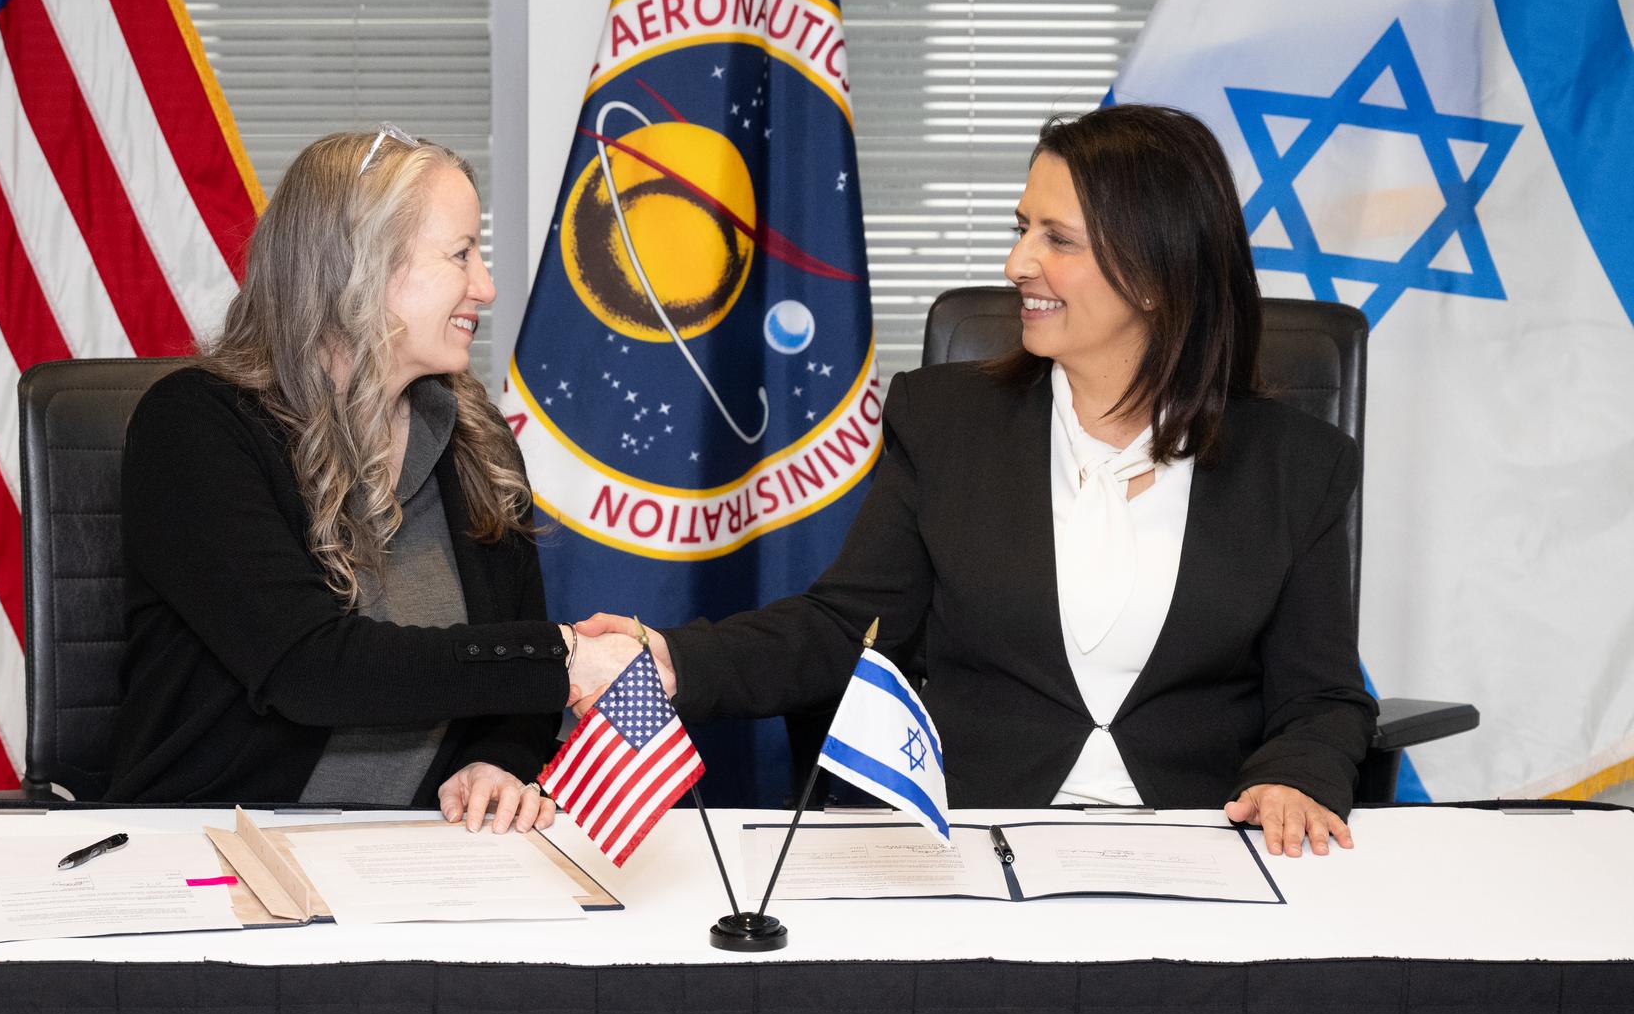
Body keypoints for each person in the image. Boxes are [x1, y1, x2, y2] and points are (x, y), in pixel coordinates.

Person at [577, 104, 1377, 857]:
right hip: (977, 844)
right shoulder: (945, 424)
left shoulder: (1299, 467)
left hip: (1196, 848)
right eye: (1022, 228)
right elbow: (842, 629)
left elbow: (1322, 698)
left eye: (1057, 239)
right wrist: (676, 657)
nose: (1017, 262)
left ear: (1156, 275)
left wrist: (1297, 776)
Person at [107, 127, 640, 828]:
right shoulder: (195, 428)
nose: (486, 285)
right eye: (459, 256)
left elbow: (514, 698)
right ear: (360, 268)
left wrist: (497, 763)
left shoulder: (473, 439)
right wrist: (562, 655)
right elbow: (313, 670)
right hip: (213, 853)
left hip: (414, 861)